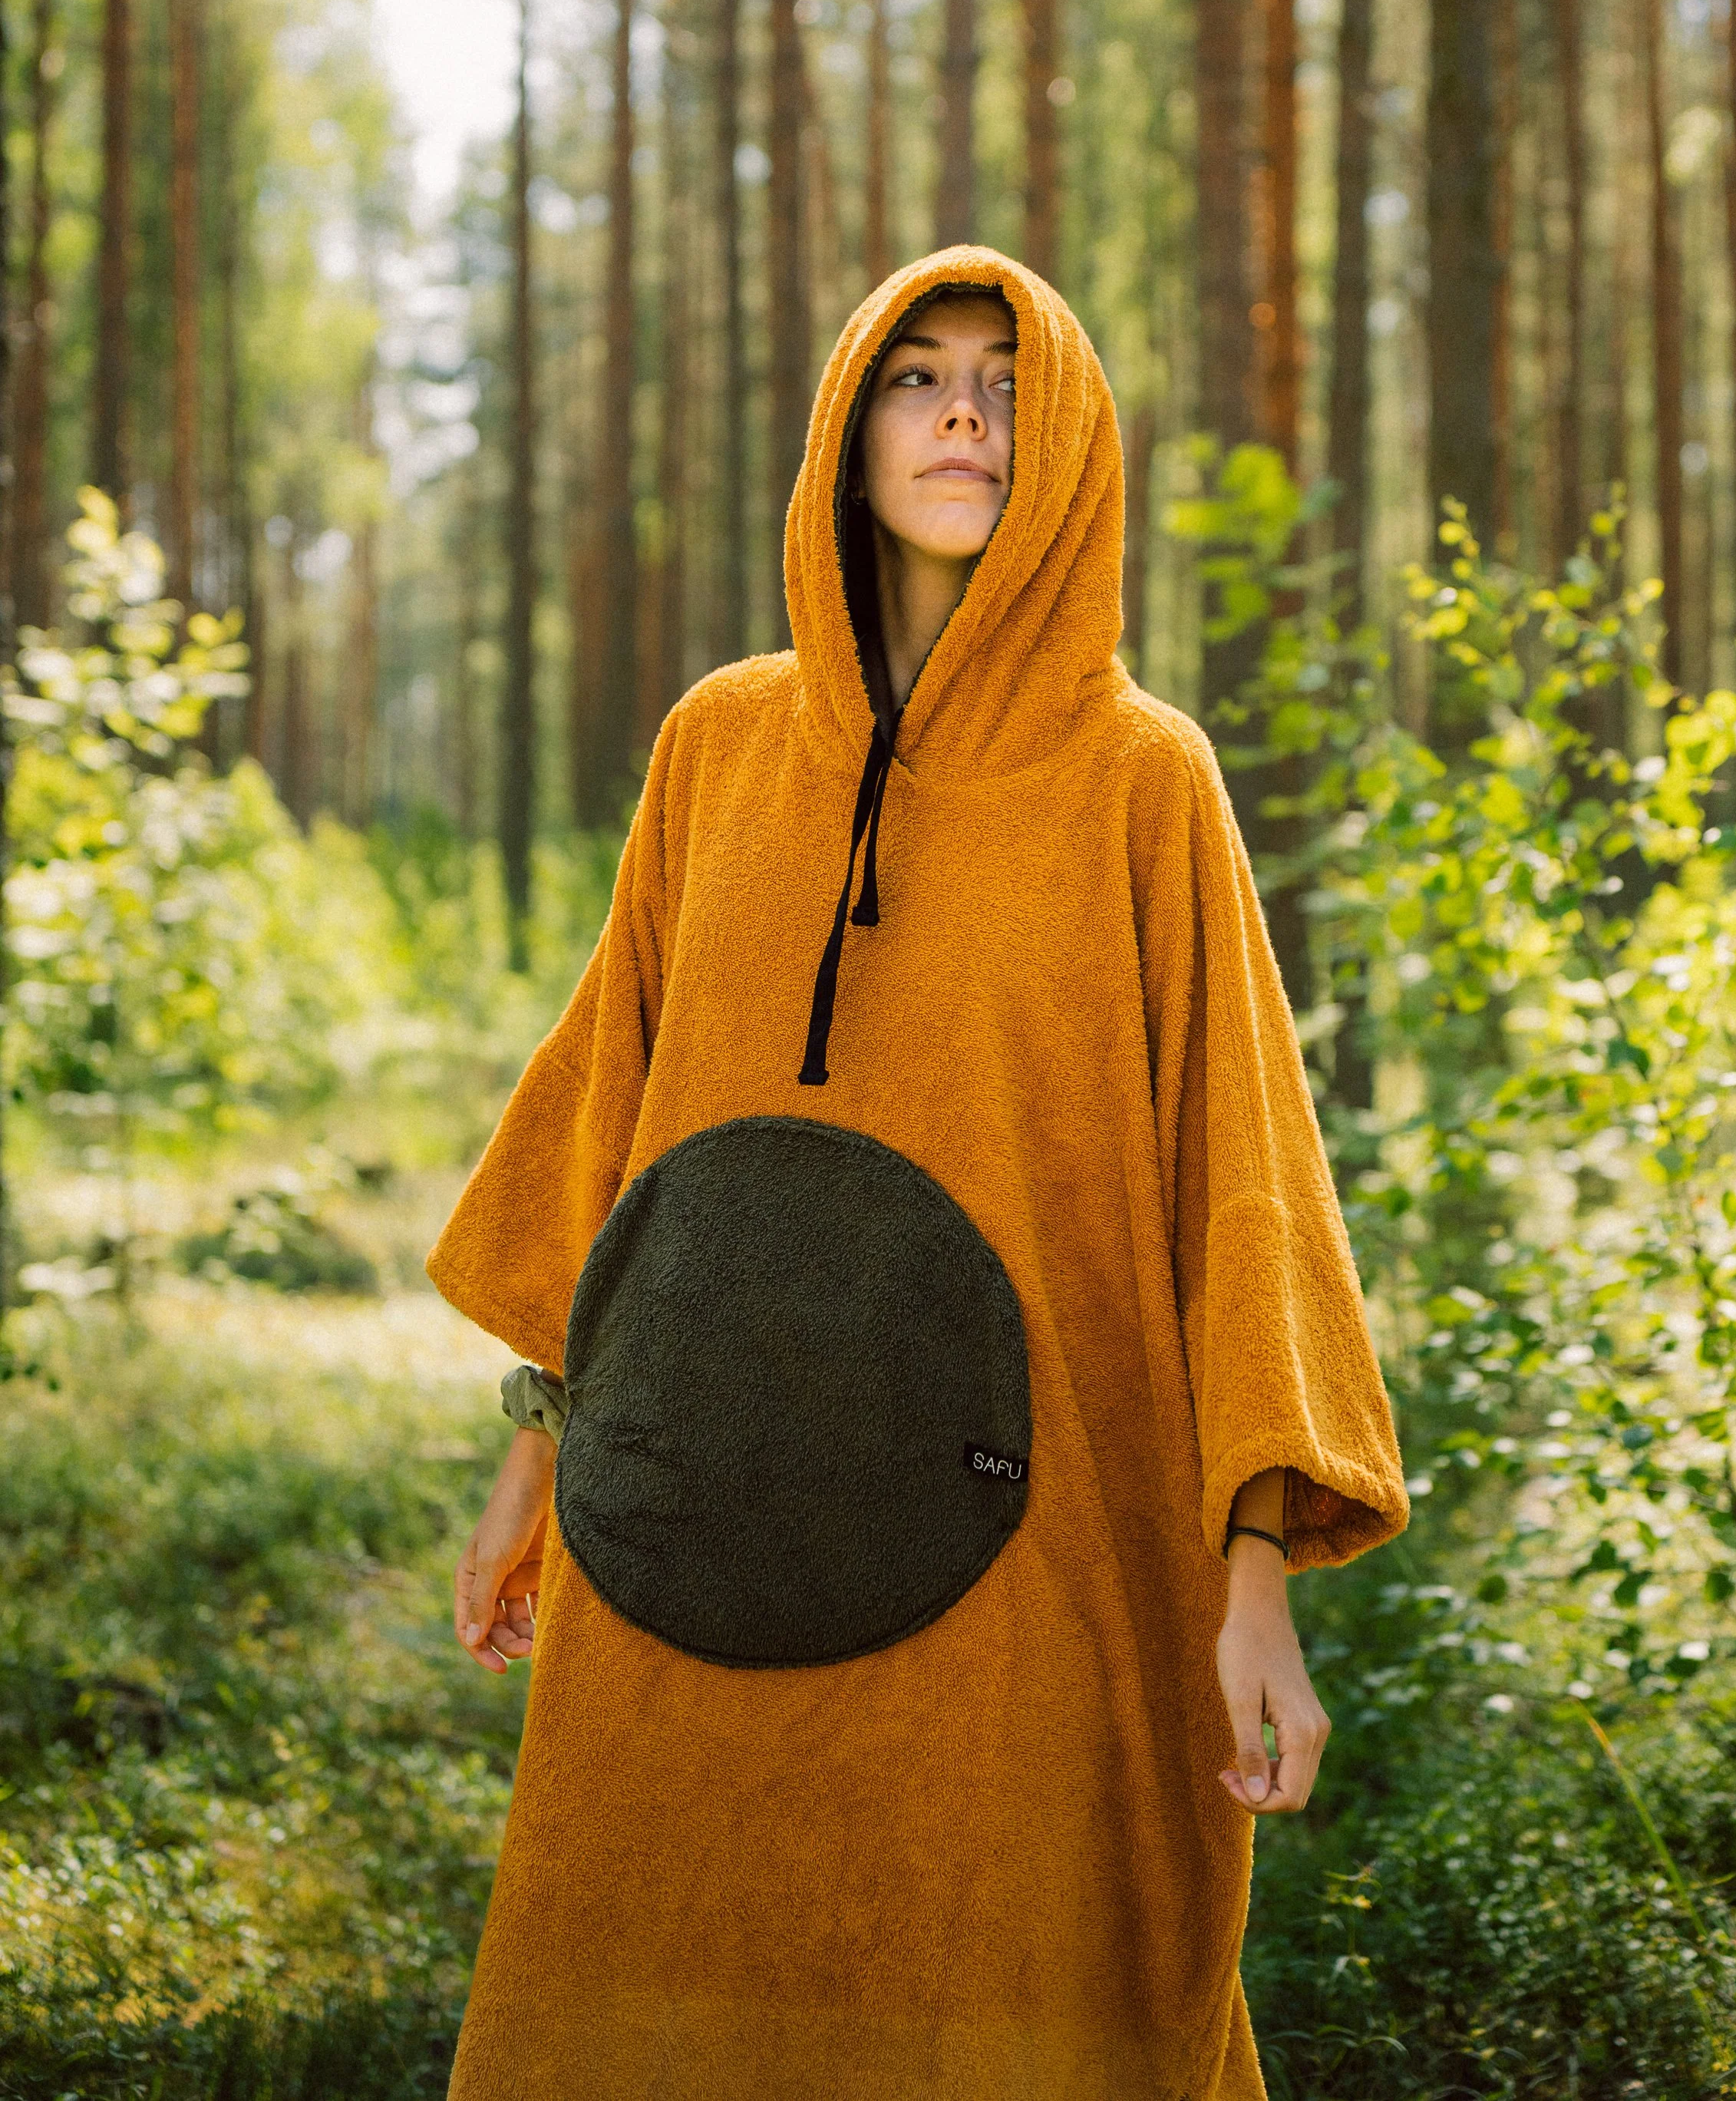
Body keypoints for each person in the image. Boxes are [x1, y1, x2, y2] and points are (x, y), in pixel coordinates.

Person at [428, 247, 1408, 2101]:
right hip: (694, 1510)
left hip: (1046, 1547)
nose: (964, 411)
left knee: (1012, 1974)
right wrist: (533, 1451)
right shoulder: (720, 747)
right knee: (656, 1955)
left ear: (1071, 441)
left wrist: (1255, 1570)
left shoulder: (1140, 779)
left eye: (1008, 381)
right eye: (916, 374)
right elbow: (615, 1119)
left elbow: (1242, 1182)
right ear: (844, 432)